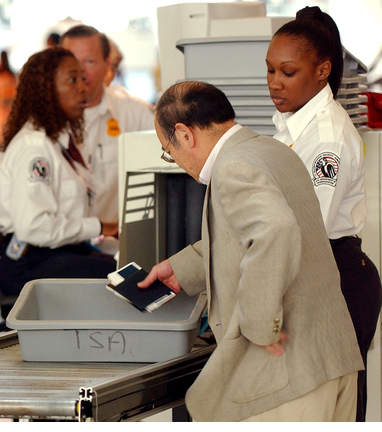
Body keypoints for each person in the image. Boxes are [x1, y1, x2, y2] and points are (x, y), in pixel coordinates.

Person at [139, 81, 363, 422]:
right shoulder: (272, 150)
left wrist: (260, 325)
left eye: (168, 150)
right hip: (330, 360)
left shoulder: (232, 166)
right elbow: (248, 234)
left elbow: (275, 229)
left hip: (287, 372)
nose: (175, 160)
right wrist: (182, 268)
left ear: (184, 135)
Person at [266, 6, 382, 421]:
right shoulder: (291, 122)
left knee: (338, 411)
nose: (275, 83)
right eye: (270, 71)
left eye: (287, 72)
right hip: (316, 271)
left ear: (322, 70)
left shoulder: (326, 140)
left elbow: (305, 226)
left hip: (337, 274)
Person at [0, 47, 117, 296]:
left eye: (82, 79)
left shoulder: (60, 142)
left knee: (126, 265)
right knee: (118, 276)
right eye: (72, 80)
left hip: (57, 252)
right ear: (45, 90)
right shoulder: (34, 148)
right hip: (29, 263)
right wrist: (99, 227)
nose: (82, 87)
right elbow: (34, 227)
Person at [59, 25, 155, 225]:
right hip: (60, 247)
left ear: (107, 65)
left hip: (116, 246)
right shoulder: (45, 118)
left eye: (89, 61)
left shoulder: (134, 113)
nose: (80, 71)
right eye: (72, 62)